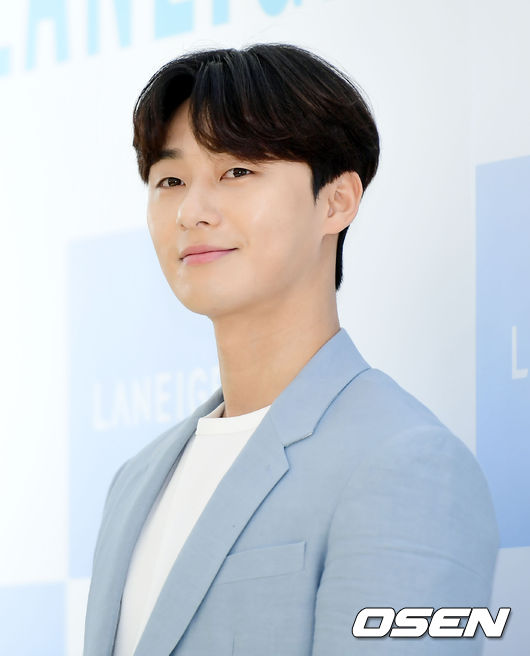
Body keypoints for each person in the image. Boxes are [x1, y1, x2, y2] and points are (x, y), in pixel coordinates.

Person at [83, 43, 499, 655]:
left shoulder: (406, 466)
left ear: (337, 201)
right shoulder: (135, 481)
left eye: (237, 171)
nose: (192, 212)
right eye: (170, 180)